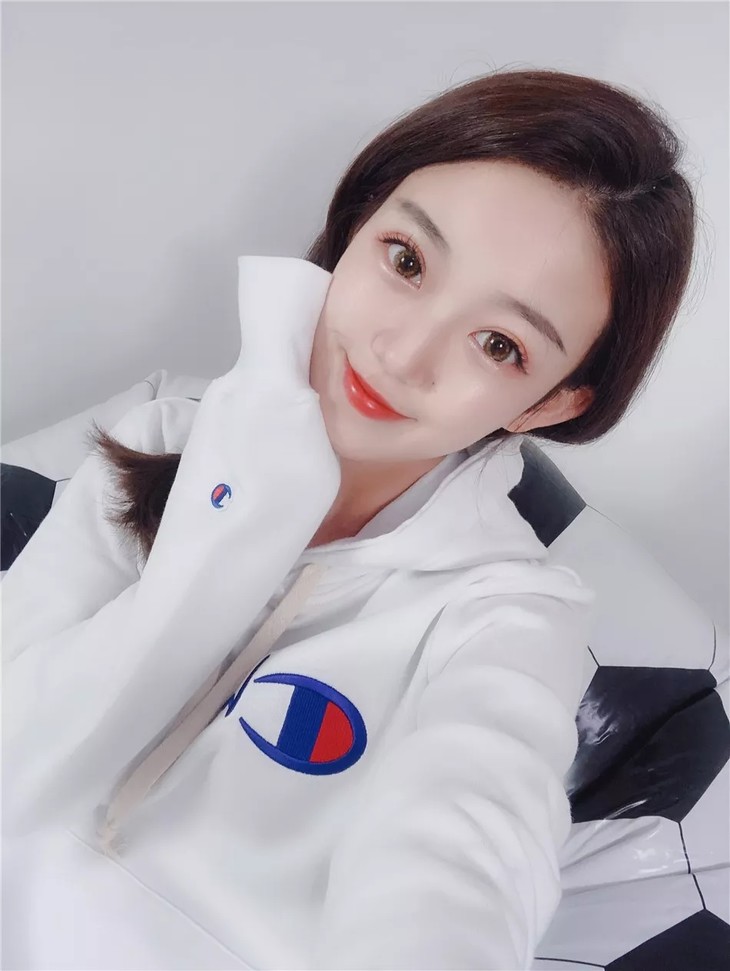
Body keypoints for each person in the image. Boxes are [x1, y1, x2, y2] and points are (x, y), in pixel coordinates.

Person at [1, 67, 698, 970]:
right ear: (359, 221)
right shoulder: (161, 437)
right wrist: (236, 516)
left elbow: (464, 859)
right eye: (406, 261)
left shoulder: (509, 620)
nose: (402, 354)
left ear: (551, 402)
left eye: (499, 344)